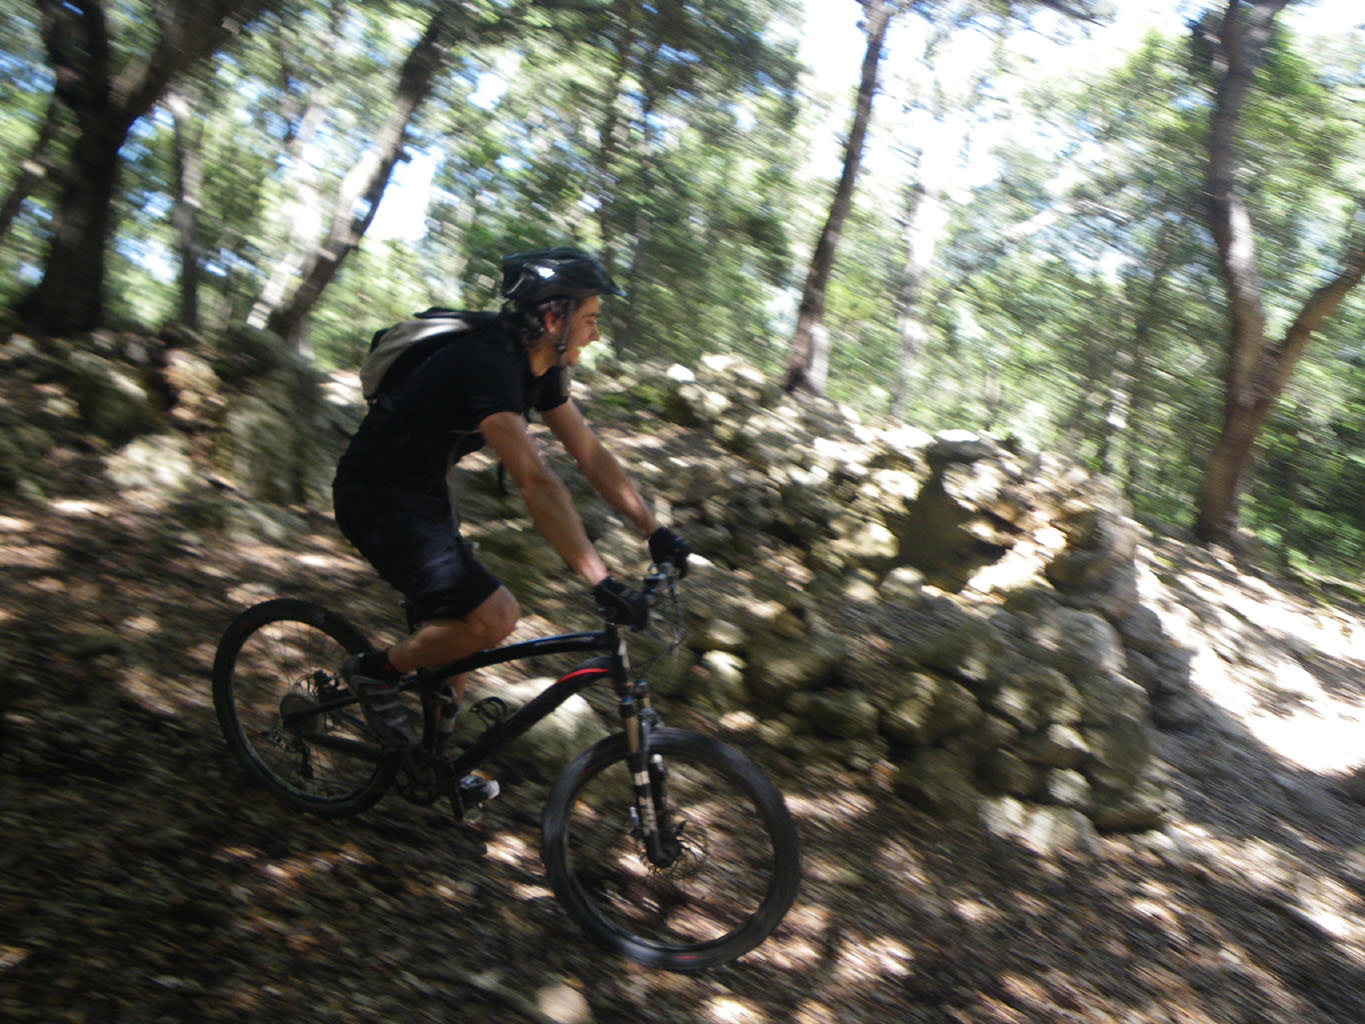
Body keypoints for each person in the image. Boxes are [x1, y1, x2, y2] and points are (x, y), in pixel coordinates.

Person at [332, 247, 690, 752]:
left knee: (455, 637)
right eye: (591, 320)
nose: (596, 334)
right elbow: (534, 481)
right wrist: (600, 581)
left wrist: (656, 531)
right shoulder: (488, 363)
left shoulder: (539, 367)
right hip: (375, 497)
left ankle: (434, 765)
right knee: (494, 617)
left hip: (425, 496)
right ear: (553, 318)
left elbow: (589, 455)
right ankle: (375, 674)